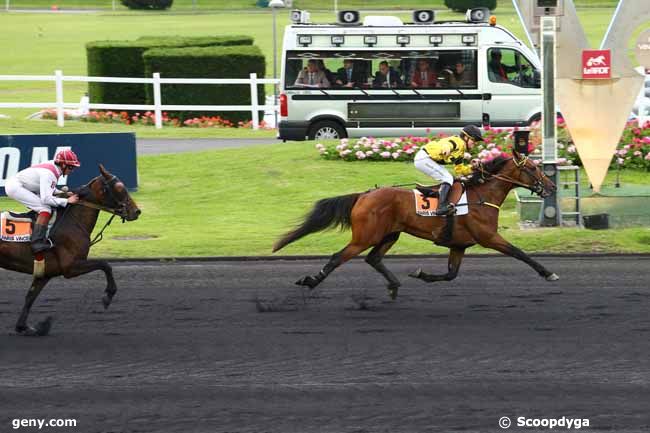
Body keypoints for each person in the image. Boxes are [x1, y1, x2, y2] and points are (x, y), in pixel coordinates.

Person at [4, 150, 80, 253]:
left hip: (21, 185)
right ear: (63, 164)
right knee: (45, 208)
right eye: (71, 167)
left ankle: (35, 231)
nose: (72, 170)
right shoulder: (50, 174)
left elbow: (48, 188)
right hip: (16, 187)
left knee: (44, 206)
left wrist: (62, 193)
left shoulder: (54, 167)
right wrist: (67, 201)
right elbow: (46, 199)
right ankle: (37, 242)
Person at [413, 125, 483, 215]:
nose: (475, 143)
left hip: (429, 159)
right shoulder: (458, 142)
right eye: (473, 140)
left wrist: (472, 167)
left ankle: (435, 193)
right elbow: (449, 144)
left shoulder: (461, 152)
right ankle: (441, 207)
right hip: (424, 158)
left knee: (451, 178)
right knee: (447, 178)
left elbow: (460, 171)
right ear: (465, 137)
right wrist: (447, 148)